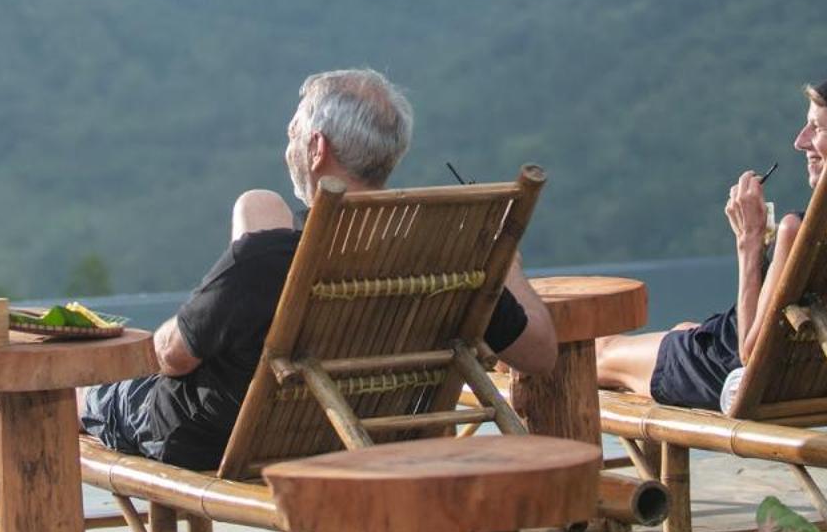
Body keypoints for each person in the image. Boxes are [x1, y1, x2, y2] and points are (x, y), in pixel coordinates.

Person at [80, 68, 557, 470]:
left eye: (292, 133)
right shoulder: (445, 261)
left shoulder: (267, 258)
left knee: (80, 395)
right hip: (367, 433)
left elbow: (174, 358)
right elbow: (539, 355)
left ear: (316, 147)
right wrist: (503, 263)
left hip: (221, 439)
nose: (287, 144)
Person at [594, 57, 827, 411]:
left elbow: (751, 354)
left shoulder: (800, 231)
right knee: (680, 331)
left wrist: (749, 242)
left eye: (816, 128)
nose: (800, 142)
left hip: (741, 373)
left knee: (597, 353)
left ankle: (544, 447)